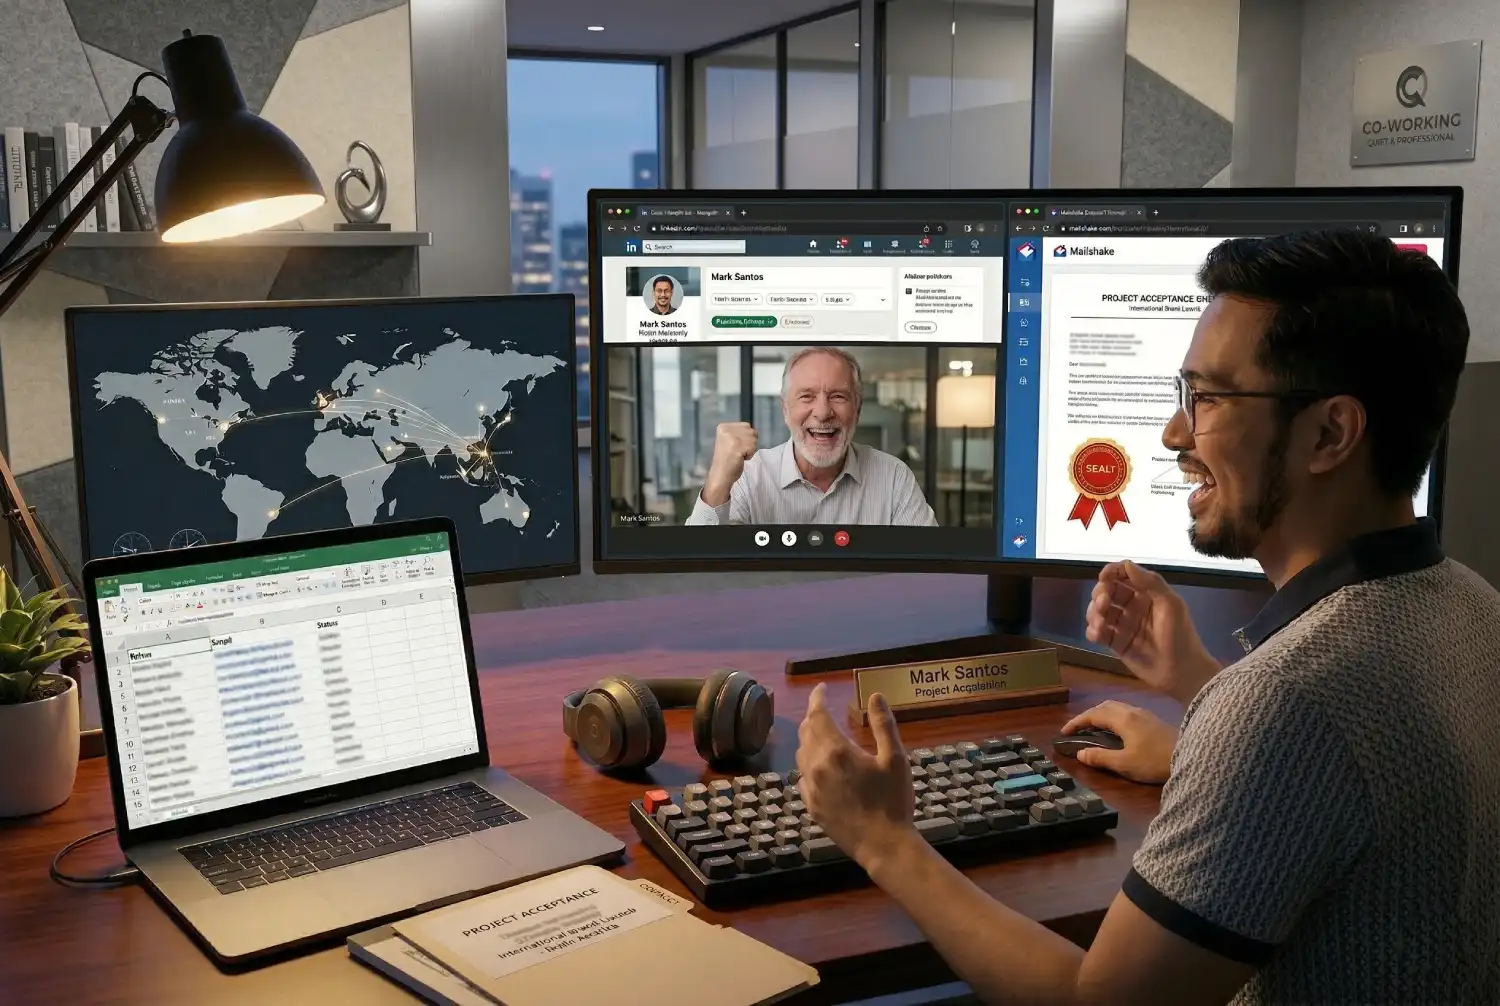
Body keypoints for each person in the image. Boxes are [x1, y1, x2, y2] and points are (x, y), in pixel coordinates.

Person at [795, 230, 1500, 1005]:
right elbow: (1371, 797)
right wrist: (1202, 698)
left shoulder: (1286, 706)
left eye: (1208, 398)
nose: (1173, 433)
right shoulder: (1472, 608)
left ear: (1330, 433)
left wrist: (884, 841)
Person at [686, 346, 937, 526]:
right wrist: (718, 481)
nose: (823, 412)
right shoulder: (750, 475)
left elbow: (927, 571)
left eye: (838, 396)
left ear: (857, 410)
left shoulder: (893, 477)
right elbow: (694, 571)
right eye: (806, 396)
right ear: (785, 410)